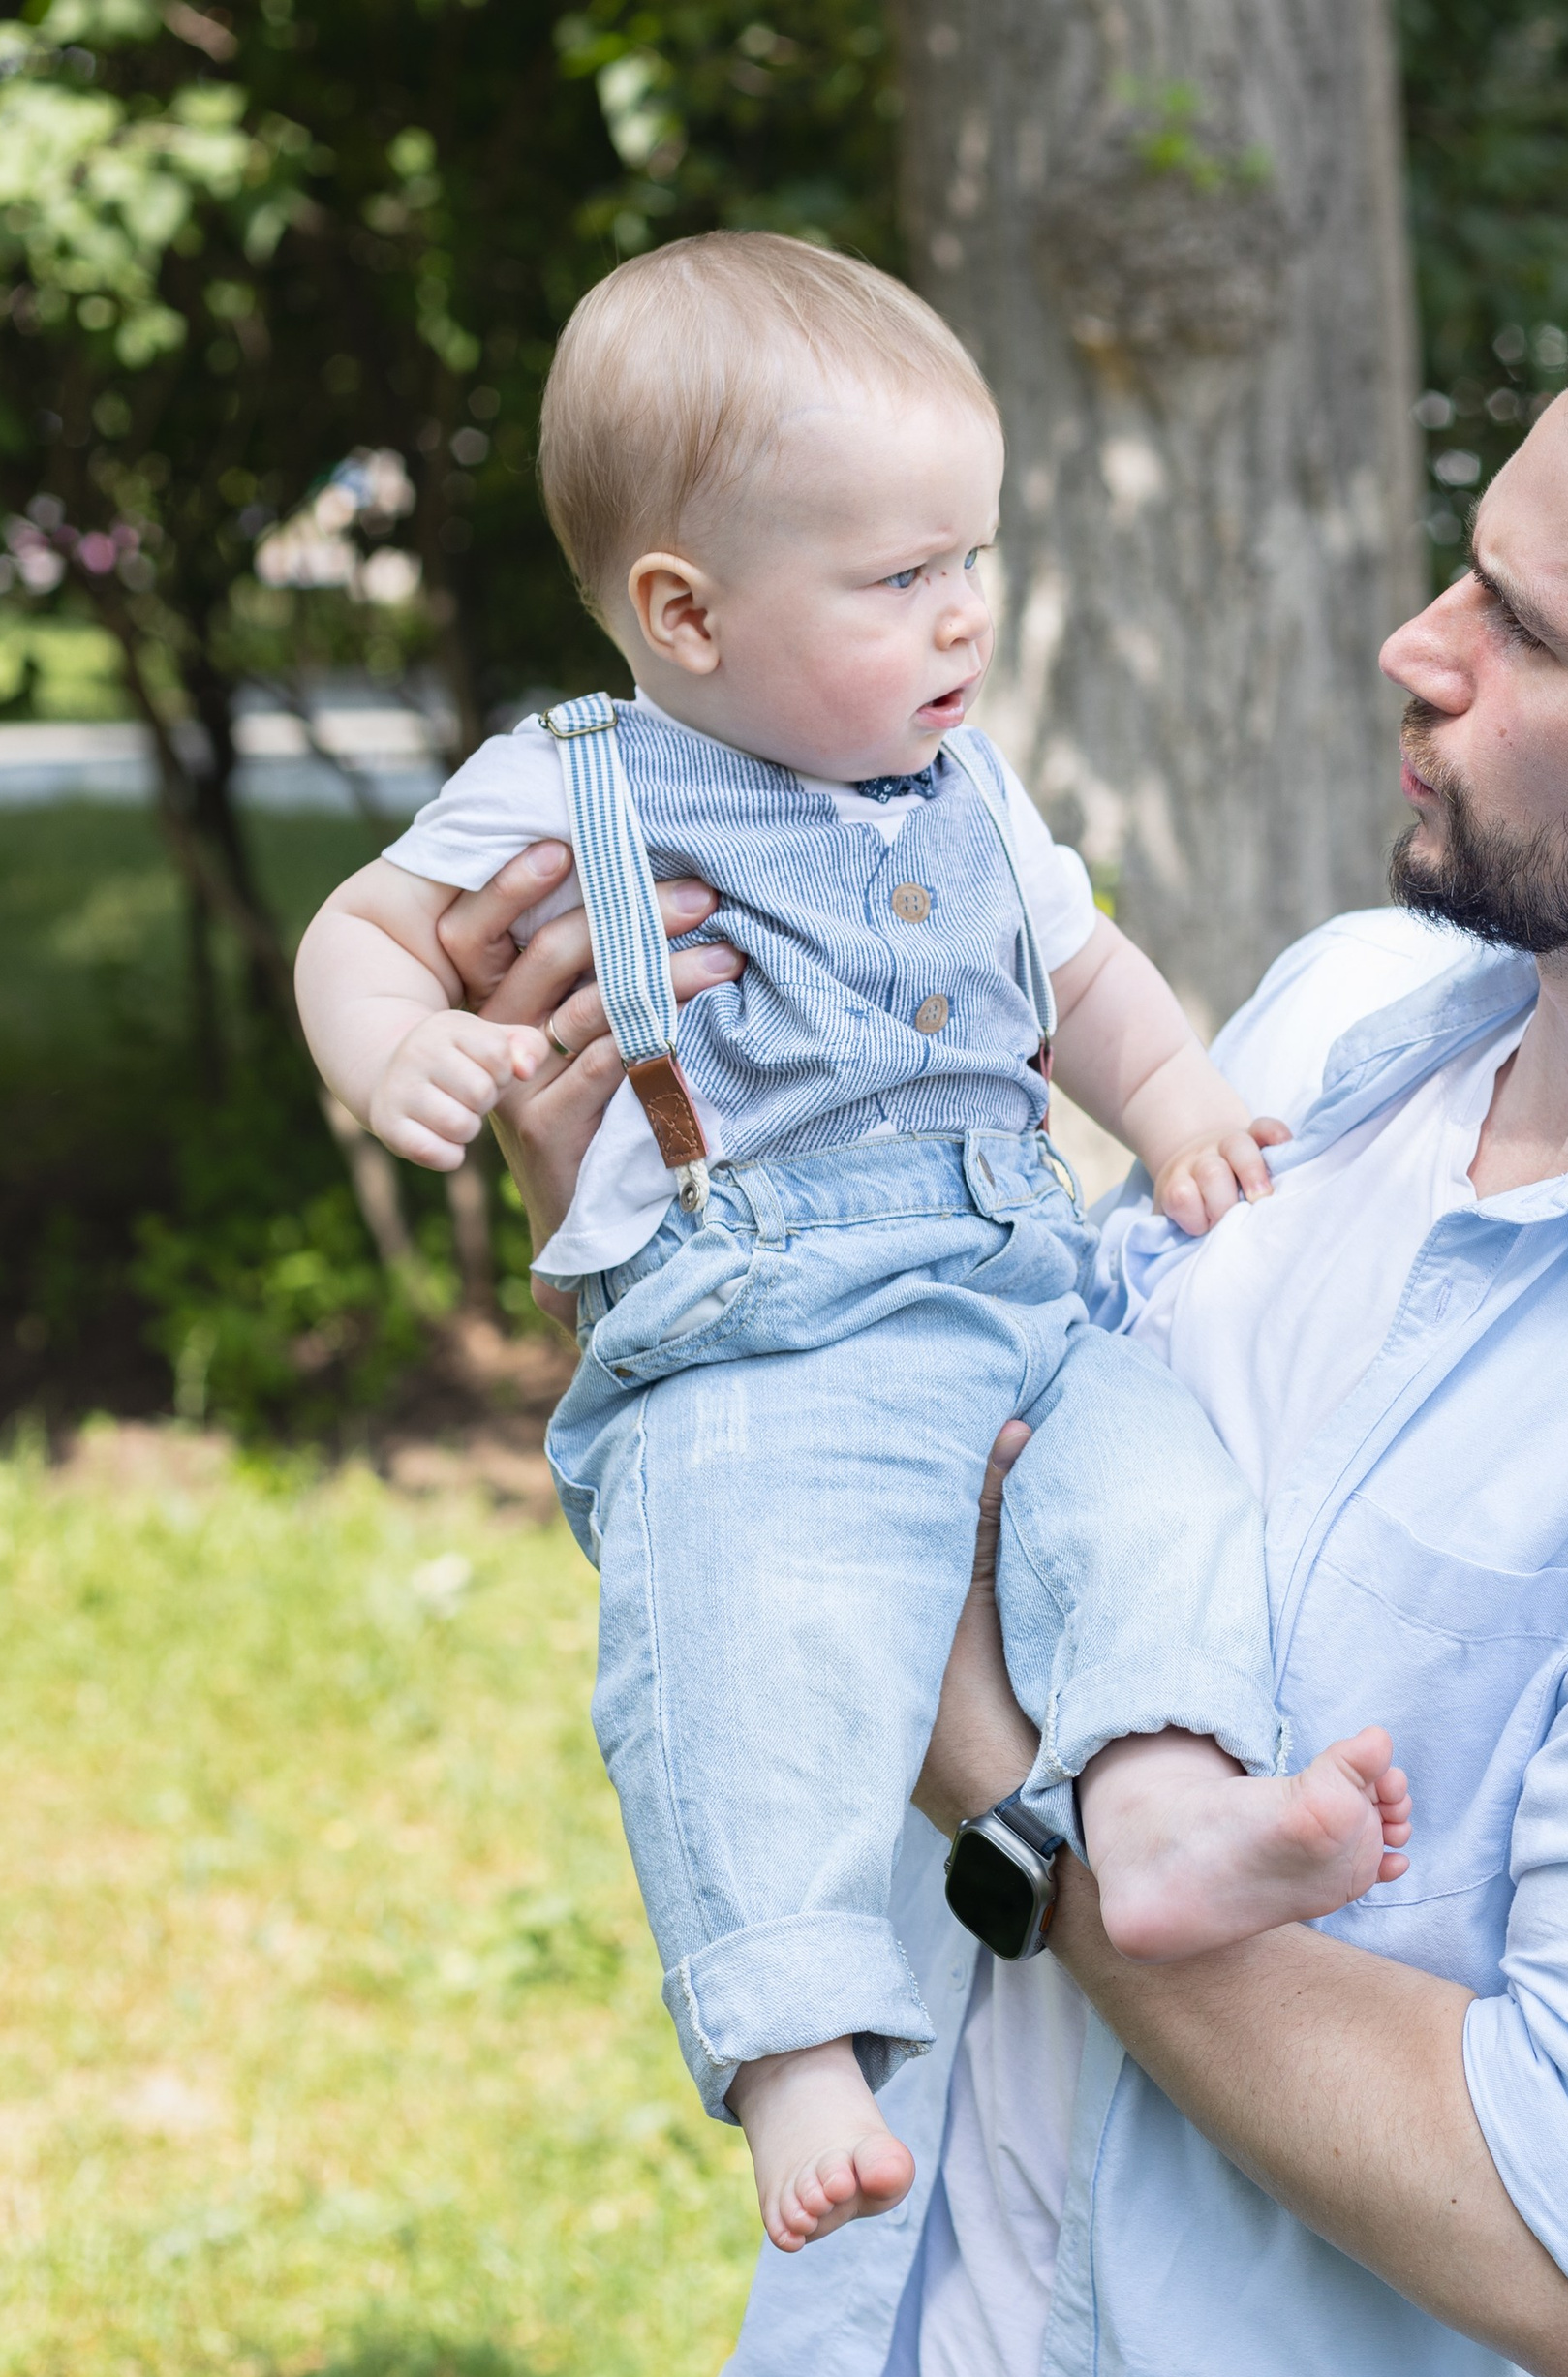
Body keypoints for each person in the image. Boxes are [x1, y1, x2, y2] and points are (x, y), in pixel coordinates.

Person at [440, 250, 1568, 2377]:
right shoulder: (1343, 1023)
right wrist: (679, 1228)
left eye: (1520, 631)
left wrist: (1002, 1780)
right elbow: (940, 1432)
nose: (1410, 648)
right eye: (1467, 569)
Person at [292, 232, 1410, 2265]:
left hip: (1021, 1292)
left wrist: (1163, 1104)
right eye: (897, 579)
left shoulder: (963, 782)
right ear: (681, 610)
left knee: (1156, 1496)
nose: (962, 613)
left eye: (970, 556)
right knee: (749, 1617)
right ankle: (793, 2027)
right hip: (757, 1332)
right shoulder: (577, 788)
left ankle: (1159, 1815)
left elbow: (1084, 975)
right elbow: (358, 931)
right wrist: (408, 1050)